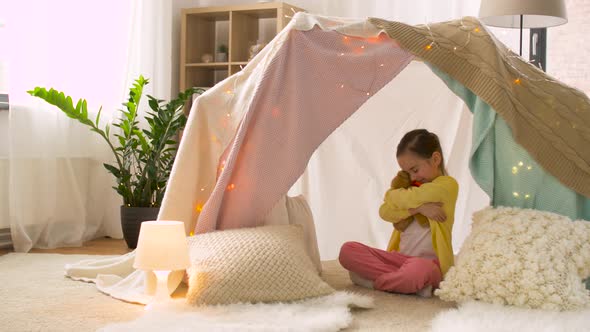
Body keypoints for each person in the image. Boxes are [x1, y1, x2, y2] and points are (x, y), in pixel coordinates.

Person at [338, 129, 458, 297]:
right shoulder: (410, 190)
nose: (413, 177)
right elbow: (384, 212)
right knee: (348, 250)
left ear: (435, 159)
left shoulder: (447, 185)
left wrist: (392, 195)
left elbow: (405, 197)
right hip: (399, 260)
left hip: (430, 264)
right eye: (407, 172)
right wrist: (418, 209)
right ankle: (409, 285)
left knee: (419, 271)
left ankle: (376, 283)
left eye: (415, 170)